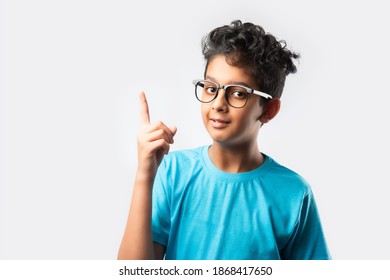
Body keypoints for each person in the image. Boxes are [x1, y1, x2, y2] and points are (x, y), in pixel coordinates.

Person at [117, 20, 331, 260]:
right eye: (210, 88)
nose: (218, 104)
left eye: (237, 93)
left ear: (269, 110)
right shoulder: (171, 172)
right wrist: (144, 176)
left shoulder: (294, 193)